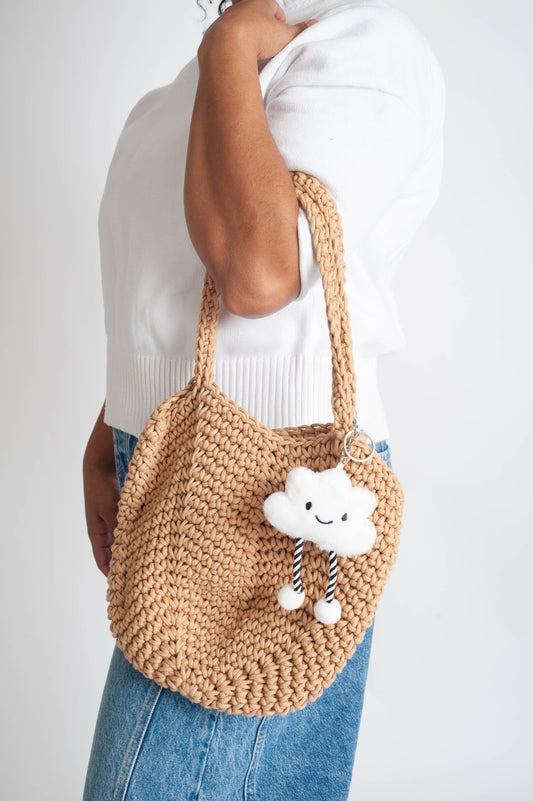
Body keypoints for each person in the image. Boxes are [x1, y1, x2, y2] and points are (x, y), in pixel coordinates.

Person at [82, 0, 445, 798]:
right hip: (174, 457)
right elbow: (173, 291)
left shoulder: (360, 50)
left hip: (280, 491)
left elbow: (256, 274)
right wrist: (112, 423)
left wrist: (228, 43)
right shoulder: (180, 92)